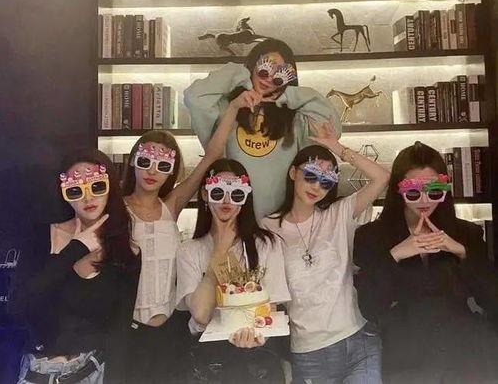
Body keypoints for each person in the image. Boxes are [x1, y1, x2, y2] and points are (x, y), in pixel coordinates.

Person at [353, 141, 498, 384]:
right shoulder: (372, 236)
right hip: (407, 362)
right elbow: (370, 307)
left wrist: (461, 251)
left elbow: (492, 300)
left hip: (466, 359)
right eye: (413, 192)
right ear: (398, 190)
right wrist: (396, 254)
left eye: (434, 191)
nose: (424, 199)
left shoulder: (467, 234)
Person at [261, 121, 390, 384]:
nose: (316, 186)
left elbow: (382, 177)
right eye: (310, 175)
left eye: (326, 181)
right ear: (293, 172)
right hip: (309, 351)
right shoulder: (268, 227)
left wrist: (337, 148)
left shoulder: (338, 214)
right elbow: (268, 290)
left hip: (359, 340)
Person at [121, 104, 237, 383]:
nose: (152, 171)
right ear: (133, 160)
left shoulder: (170, 205)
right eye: (146, 161)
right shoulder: (115, 209)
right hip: (127, 330)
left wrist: (234, 107)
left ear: (171, 170)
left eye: (163, 165)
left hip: (172, 329)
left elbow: (212, 156)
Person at [10, 149, 140, 384]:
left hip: (92, 372)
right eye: (75, 190)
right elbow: (18, 305)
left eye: (97, 186)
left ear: (110, 187)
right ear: (64, 194)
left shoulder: (126, 251)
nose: (87, 198)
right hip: (40, 372)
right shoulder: (41, 237)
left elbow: (120, 330)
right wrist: (75, 249)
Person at [184, 38, 341, 219]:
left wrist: (286, 94)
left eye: (280, 75)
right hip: (231, 218)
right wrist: (241, 77)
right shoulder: (226, 109)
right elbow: (193, 97)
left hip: (279, 223)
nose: (269, 79)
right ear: (253, 65)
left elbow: (332, 128)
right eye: (265, 68)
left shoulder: (295, 118)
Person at [176, 158, 291, 383]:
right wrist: (220, 250)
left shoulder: (266, 244)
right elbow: (201, 314)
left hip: (259, 358)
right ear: (205, 194)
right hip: (210, 363)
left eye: (236, 194)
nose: (227, 200)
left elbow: (271, 306)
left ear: (246, 197)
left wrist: (256, 334)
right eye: (218, 192)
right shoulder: (189, 250)